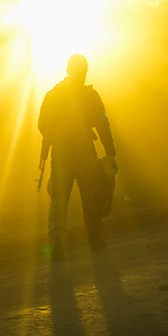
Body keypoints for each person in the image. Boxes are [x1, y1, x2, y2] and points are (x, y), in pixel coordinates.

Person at [37, 54, 117, 259]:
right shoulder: (90, 95)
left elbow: (42, 125)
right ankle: (92, 238)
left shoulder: (53, 95)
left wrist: (56, 137)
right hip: (81, 155)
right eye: (81, 72)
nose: (81, 76)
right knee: (89, 198)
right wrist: (109, 154)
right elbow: (102, 125)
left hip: (65, 156)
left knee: (61, 202)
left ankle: (58, 242)